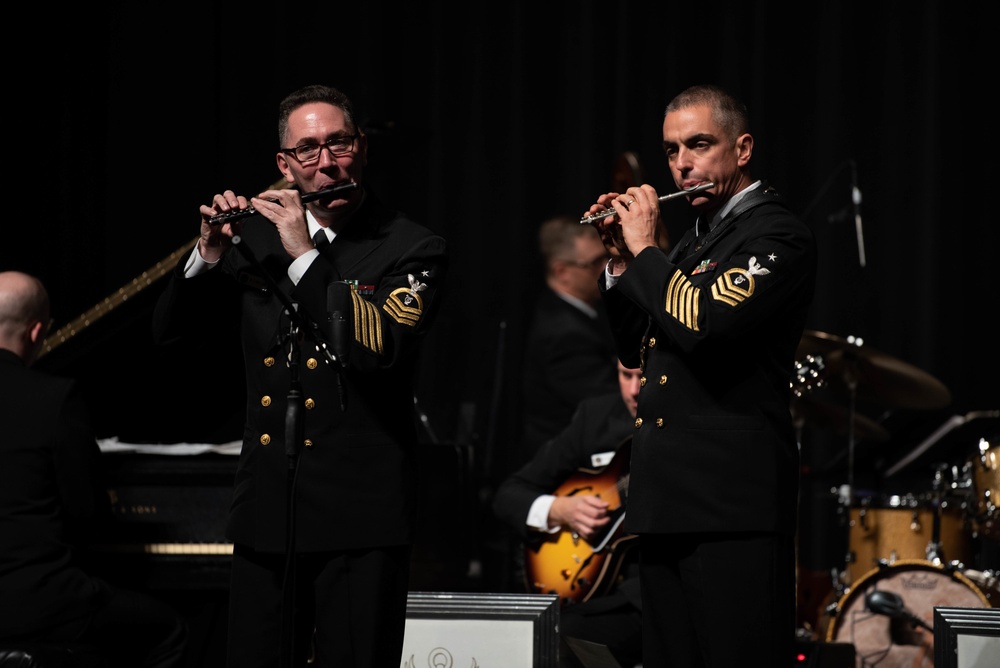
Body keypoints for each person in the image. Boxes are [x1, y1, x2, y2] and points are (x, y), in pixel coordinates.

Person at [151, 84, 448, 668]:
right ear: (284, 167)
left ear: (360, 149)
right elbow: (169, 336)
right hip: (270, 505)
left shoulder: (412, 247)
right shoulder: (251, 240)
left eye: (338, 143)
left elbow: (377, 349)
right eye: (307, 151)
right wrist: (209, 251)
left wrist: (305, 255)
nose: (326, 162)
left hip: (361, 515)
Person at [584, 84, 817, 667]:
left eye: (699, 145)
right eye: (671, 151)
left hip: (730, 505)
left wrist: (645, 249)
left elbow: (704, 326)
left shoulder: (776, 233)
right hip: (668, 502)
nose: (683, 163)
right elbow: (635, 349)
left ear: (742, 150)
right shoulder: (692, 242)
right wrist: (619, 258)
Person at [0, 271, 188, 668]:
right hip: (36, 602)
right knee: (169, 631)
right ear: (37, 333)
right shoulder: (53, 399)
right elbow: (86, 514)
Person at [493, 360, 643, 668]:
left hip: (646, 596)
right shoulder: (596, 416)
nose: (633, 390)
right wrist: (560, 510)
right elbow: (509, 494)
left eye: (644, 377)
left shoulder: (685, 428)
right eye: (624, 375)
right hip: (589, 591)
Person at [519, 216, 618, 464]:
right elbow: (607, 406)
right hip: (571, 468)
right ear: (561, 271)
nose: (606, 265)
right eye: (595, 262)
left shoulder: (574, 312)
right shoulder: (564, 333)